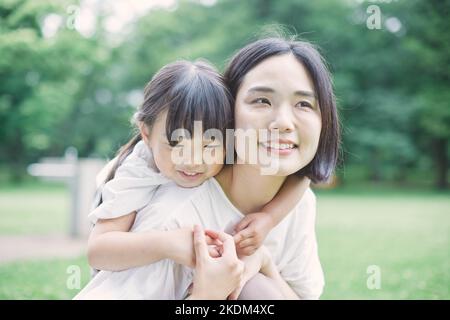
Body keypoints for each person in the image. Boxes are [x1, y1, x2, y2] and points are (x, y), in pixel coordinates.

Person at [74, 51, 311, 299]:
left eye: (209, 144)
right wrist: (168, 244)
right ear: (146, 134)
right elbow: (98, 250)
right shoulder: (140, 167)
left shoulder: (233, 153)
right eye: (176, 143)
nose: (193, 160)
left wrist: (269, 217)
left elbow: (301, 177)